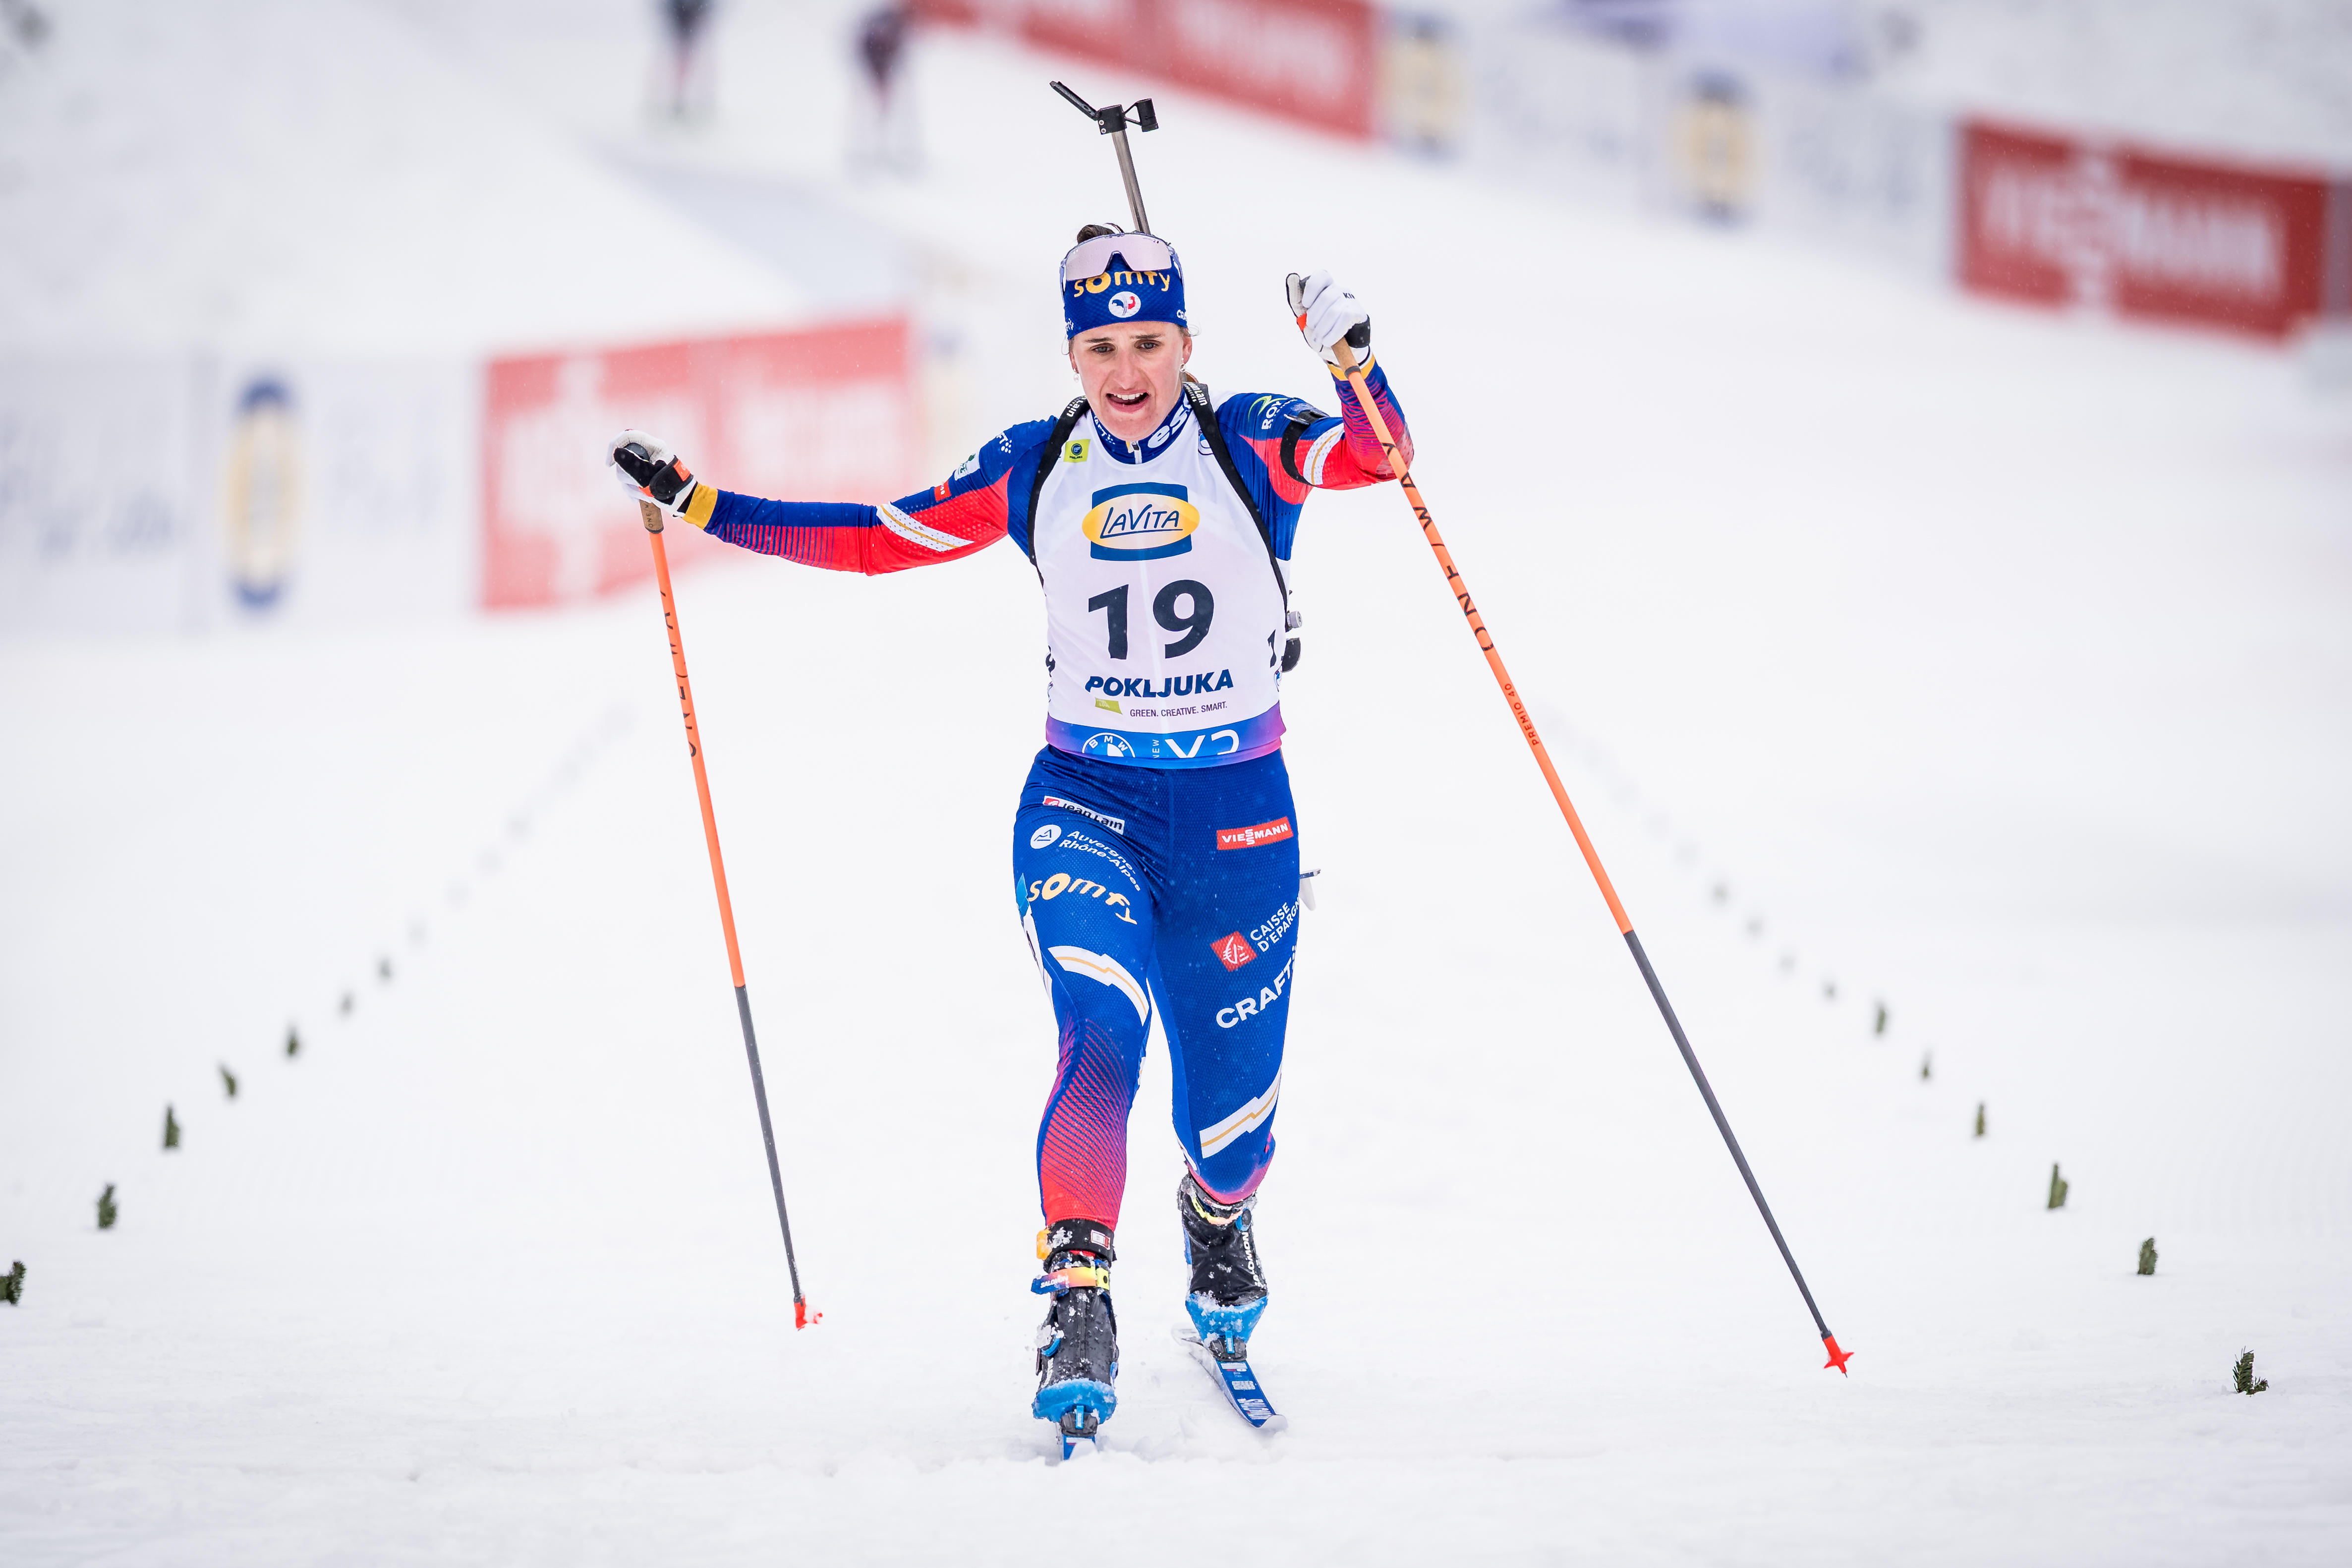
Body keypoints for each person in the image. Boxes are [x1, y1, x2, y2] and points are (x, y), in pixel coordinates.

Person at [608, 229, 1410, 1448]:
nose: (1127, 371)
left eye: (1150, 343)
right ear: (1072, 355)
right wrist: (699, 502)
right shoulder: (1037, 463)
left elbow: (1382, 456)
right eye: (1102, 348)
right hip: (1086, 805)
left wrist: (1350, 358)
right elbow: (876, 536)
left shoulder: (1251, 440)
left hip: (1239, 823)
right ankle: (1077, 1296)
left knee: (1231, 1132)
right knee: (1101, 1026)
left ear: (1187, 344)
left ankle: (1214, 1214)